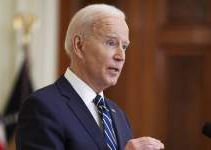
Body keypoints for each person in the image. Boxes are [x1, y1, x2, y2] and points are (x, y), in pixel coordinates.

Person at [15, 4, 164, 150]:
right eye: (111, 43)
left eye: (124, 46)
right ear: (79, 46)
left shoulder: (119, 115)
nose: (121, 56)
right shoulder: (42, 107)